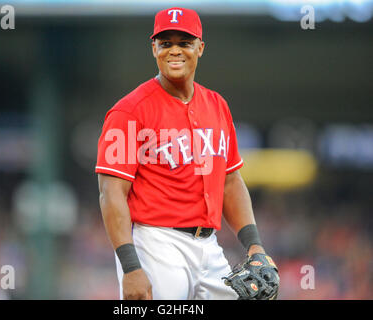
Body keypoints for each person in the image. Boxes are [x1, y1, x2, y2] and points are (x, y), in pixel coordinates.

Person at [96, 7, 279, 300]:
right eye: (166, 43)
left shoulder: (217, 105)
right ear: (154, 48)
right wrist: (130, 266)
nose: (175, 50)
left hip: (209, 246)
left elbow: (231, 182)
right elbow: (111, 193)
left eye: (184, 42)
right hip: (156, 243)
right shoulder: (128, 111)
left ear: (200, 48)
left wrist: (254, 244)